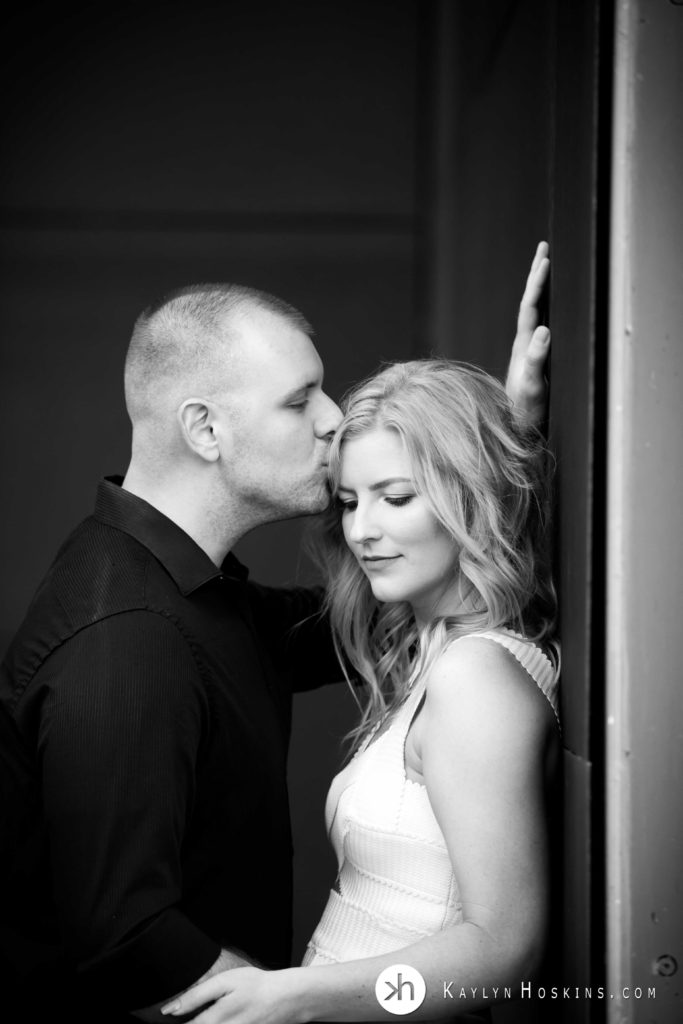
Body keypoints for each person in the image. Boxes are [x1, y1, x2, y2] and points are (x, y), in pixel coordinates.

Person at [0, 244, 551, 1023]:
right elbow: (126, 936)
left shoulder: (194, 590)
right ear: (206, 430)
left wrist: (493, 451)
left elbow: (378, 612)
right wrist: (287, 1006)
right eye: (300, 401)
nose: (332, 419)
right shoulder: (123, 637)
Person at [159, 356, 560, 1023]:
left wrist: (291, 995)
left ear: (472, 494)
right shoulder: (441, 655)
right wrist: (514, 425)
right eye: (348, 501)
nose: (361, 530)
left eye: (395, 497)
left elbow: (504, 947)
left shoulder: (474, 679)